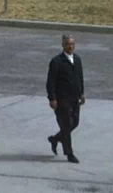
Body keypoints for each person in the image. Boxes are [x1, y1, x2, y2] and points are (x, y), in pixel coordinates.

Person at [46, 34, 85, 164]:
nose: (70, 46)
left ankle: (56, 139)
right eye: (68, 44)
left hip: (75, 98)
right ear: (63, 45)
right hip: (62, 100)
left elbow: (80, 78)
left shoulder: (77, 59)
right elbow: (50, 81)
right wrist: (52, 99)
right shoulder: (57, 61)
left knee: (75, 123)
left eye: (72, 44)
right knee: (66, 125)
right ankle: (69, 154)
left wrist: (82, 93)